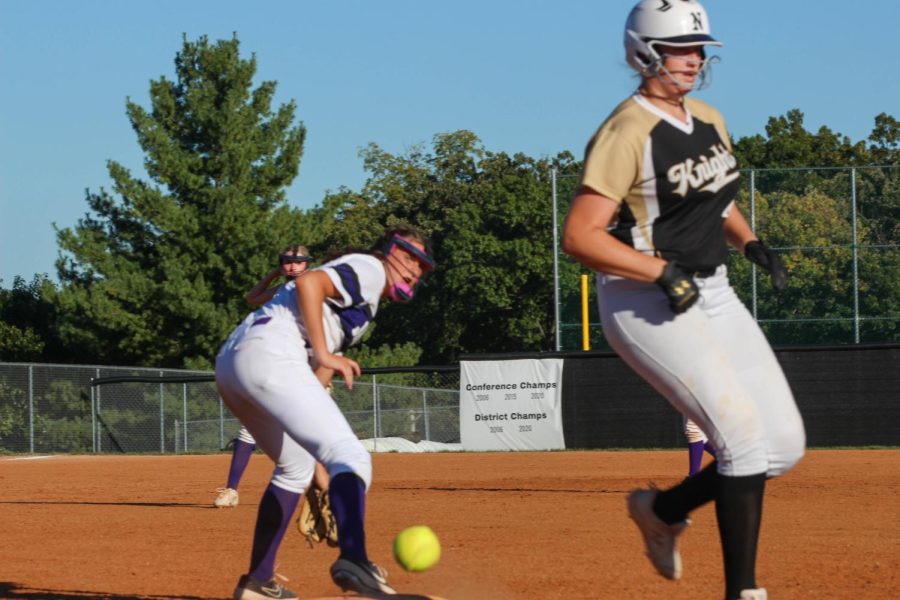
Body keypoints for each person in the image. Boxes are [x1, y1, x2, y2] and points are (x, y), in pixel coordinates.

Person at [562, 2, 805, 599]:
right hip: (644, 300)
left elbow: (713, 201)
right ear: (645, 52)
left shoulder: (710, 118)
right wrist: (657, 270)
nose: (694, 59)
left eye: (698, 48)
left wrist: (751, 242)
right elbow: (580, 236)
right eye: (679, 49)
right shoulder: (626, 130)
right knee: (742, 441)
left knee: (784, 446)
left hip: (711, 288)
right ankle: (742, 592)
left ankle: (662, 510)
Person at [215, 225, 435, 599]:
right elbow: (309, 283)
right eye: (408, 255)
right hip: (273, 354)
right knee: (350, 455)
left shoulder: (367, 293)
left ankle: (257, 583)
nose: (415, 268)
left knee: (296, 467)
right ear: (388, 251)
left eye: (421, 263)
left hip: (235, 363)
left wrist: (320, 461)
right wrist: (323, 352)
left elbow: (310, 382)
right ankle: (355, 560)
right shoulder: (371, 267)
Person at [214, 245, 330, 510]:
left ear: (307, 265)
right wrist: (271, 275)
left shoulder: (311, 288)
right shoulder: (281, 290)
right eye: (287, 261)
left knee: (314, 428)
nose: (291, 266)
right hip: (276, 363)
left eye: (297, 262)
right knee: (250, 427)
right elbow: (252, 297)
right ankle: (231, 490)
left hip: (303, 363)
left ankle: (323, 487)